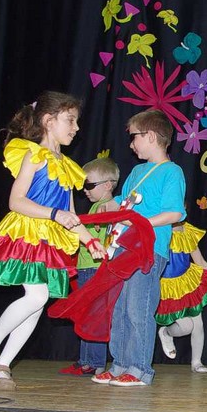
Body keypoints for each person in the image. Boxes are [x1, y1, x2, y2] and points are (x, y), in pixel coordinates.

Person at [0, 91, 105, 390]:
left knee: (37, 302)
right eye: (70, 120)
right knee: (37, 297)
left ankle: (4, 365)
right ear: (48, 120)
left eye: (77, 121)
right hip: (28, 233)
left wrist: (89, 240)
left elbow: (71, 214)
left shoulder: (67, 166)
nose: (76, 128)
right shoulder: (33, 155)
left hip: (50, 240)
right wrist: (54, 214)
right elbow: (17, 201)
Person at [91, 109, 186, 387]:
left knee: (138, 308)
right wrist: (106, 208)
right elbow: (123, 202)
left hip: (149, 249)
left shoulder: (172, 172)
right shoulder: (136, 172)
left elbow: (174, 213)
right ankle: (119, 364)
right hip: (123, 248)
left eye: (134, 137)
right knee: (119, 308)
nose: (131, 145)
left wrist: (139, 223)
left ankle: (140, 368)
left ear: (151, 136)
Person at [58, 154, 119, 376]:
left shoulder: (108, 205)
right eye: (84, 185)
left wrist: (111, 208)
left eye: (90, 185)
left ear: (108, 185)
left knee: (95, 314)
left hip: (96, 267)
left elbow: (119, 210)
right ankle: (86, 359)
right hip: (86, 267)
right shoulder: (96, 207)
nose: (85, 190)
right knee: (85, 313)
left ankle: (95, 361)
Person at [156, 222, 207, 373]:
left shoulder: (187, 231)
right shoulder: (160, 230)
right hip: (168, 288)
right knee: (186, 327)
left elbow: (200, 261)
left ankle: (196, 362)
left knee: (198, 323)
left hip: (188, 282)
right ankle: (166, 332)